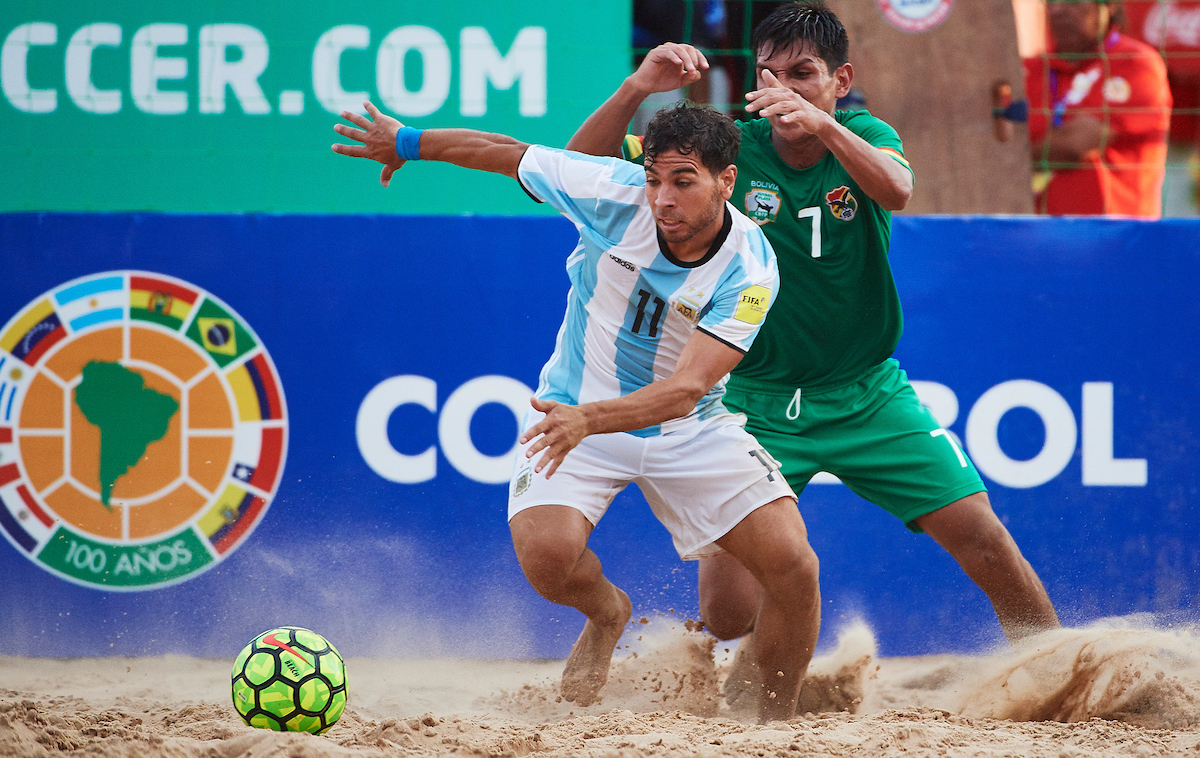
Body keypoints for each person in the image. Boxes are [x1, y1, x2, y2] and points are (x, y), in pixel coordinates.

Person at [567, 1, 1061, 697]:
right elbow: (579, 167)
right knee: (726, 613)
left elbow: (899, 188)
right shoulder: (729, 148)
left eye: (804, 74)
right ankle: (781, 682)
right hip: (753, 404)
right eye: (771, 75)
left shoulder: (862, 132)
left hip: (866, 393)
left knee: (985, 538)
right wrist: (636, 89)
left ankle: (1057, 672)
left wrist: (825, 126)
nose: (786, 91)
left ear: (841, 79)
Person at [331, 100, 821, 722]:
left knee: (792, 569)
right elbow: (506, 152)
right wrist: (406, 141)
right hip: (578, 415)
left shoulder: (751, 266)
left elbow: (686, 389)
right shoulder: (614, 193)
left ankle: (775, 726)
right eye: (654, 179)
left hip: (685, 428)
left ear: (727, 182)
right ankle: (607, 611)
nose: (662, 198)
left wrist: (588, 419)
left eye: (682, 181)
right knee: (548, 561)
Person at [1023, 0, 1172, 217]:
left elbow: (1074, 146)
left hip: (1118, 234)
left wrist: (1007, 157)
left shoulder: (1136, 63)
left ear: (1108, 6)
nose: (1059, 9)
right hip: (1038, 231)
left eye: (1074, 1)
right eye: (1051, 2)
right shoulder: (1031, 70)